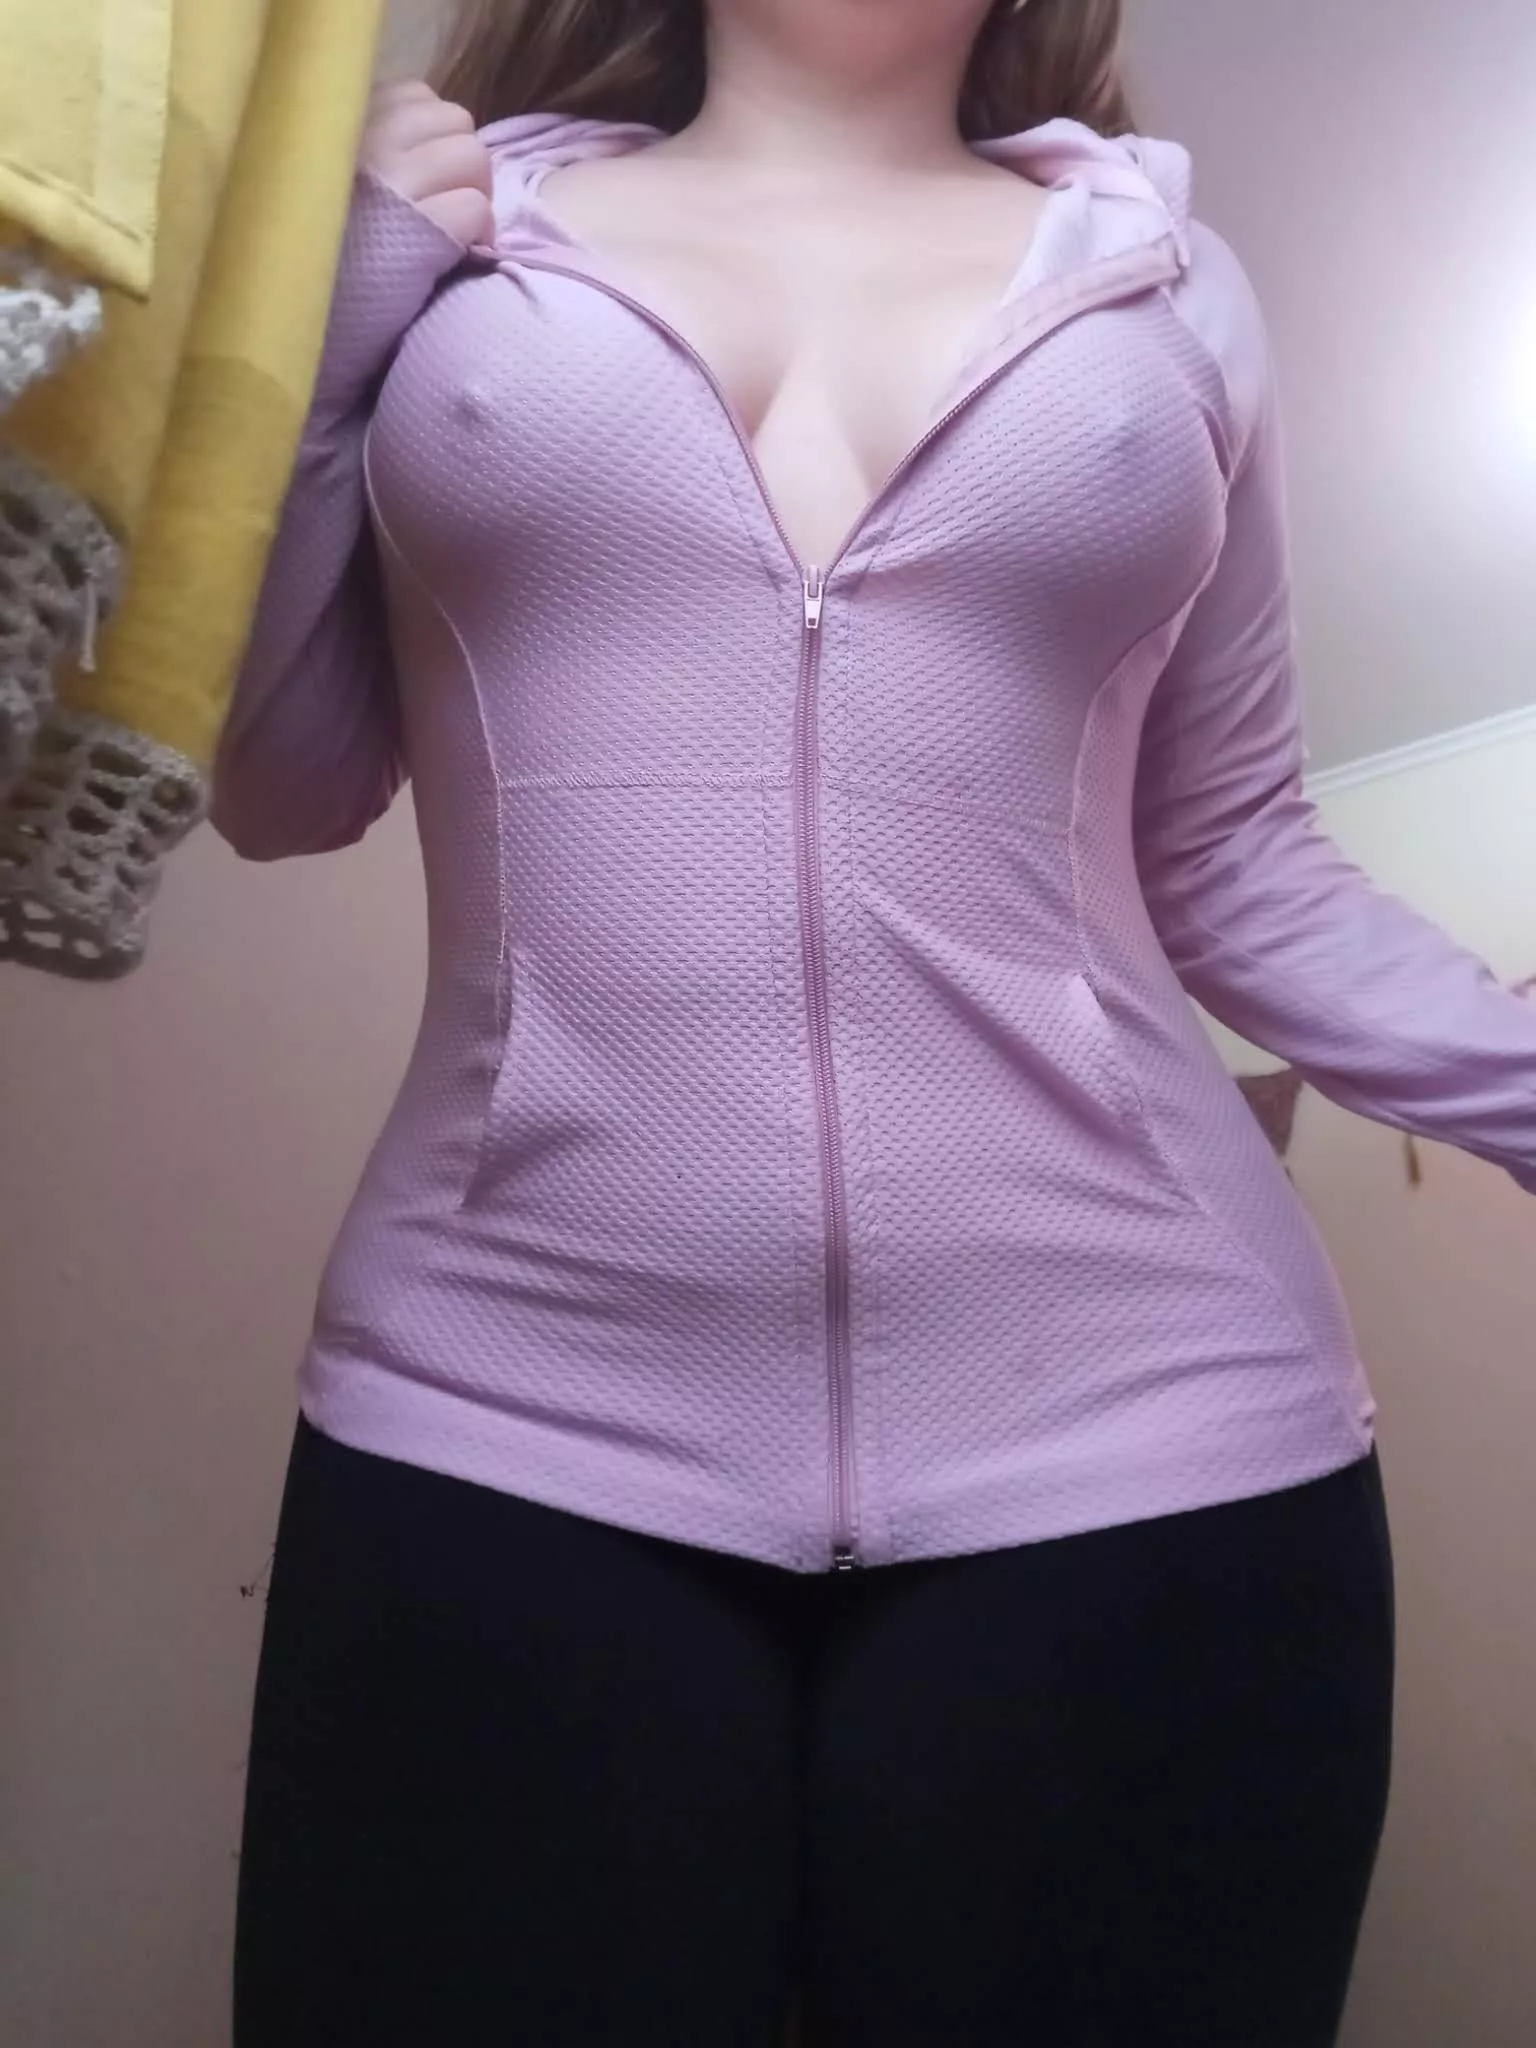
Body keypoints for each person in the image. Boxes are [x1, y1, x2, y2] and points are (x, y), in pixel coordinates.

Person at [219, 2, 1536, 2042]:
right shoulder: (455, 238)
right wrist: (329, 330)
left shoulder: (1169, 287)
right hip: (504, 1419)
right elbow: (284, 779)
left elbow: (1236, 862)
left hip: (1158, 1448)